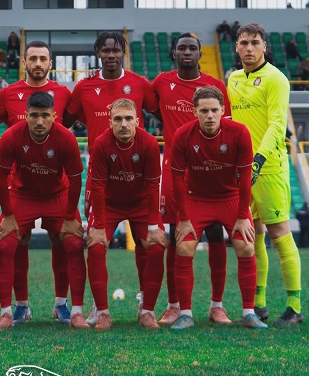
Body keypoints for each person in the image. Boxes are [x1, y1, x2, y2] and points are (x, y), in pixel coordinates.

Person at [64, 31, 159, 325]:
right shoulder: (84, 87)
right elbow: (65, 122)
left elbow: (161, 113)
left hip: (137, 180)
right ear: (98, 53)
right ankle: (99, 308)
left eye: (116, 50)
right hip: (102, 179)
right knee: (95, 242)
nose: (111, 55)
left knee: (150, 244)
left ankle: (147, 306)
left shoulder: (140, 84)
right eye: (105, 50)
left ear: (123, 53)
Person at [169, 86, 267, 330]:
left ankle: (248, 313)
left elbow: (245, 177)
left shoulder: (239, 133)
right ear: (195, 112)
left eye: (214, 110)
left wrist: (243, 216)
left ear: (223, 110)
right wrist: (183, 218)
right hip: (196, 199)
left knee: (246, 246)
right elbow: (177, 179)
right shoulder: (182, 135)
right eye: (204, 111)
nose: (210, 116)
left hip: (230, 198)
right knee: (183, 247)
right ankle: (185, 314)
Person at [0, 41, 74, 323]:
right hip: (21, 187)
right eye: (33, 58)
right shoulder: (7, 94)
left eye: (43, 59)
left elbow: (65, 133)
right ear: (24, 63)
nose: (38, 63)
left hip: (55, 186)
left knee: (63, 240)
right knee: (15, 241)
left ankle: (61, 304)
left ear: (50, 63)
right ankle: (21, 306)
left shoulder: (63, 93)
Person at [151, 32, 232, 325]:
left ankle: (217, 306)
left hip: (209, 169)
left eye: (192, 48)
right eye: (182, 48)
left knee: (215, 232)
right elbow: (151, 108)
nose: (187, 52)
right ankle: (174, 305)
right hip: (175, 170)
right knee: (177, 234)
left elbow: (226, 126)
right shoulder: (161, 82)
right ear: (174, 53)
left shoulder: (215, 86)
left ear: (200, 54)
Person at [227, 23, 304, 326]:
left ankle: (294, 306)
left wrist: (258, 160)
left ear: (264, 47)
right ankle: (257, 305)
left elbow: (277, 124)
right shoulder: (233, 79)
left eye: (255, 42)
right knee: (253, 234)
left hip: (268, 166)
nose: (249, 48)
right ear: (236, 47)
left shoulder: (276, 78)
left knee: (279, 233)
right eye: (244, 43)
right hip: (242, 169)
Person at [0, 92, 86, 329]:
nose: (40, 121)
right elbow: (0, 177)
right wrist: (8, 215)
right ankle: (10, 311)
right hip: (22, 195)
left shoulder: (66, 138)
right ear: (26, 115)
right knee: (6, 244)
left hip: (57, 195)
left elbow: (76, 179)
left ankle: (71, 309)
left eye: (45, 115)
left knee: (74, 243)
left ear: (54, 116)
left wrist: (69, 217)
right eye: (34, 115)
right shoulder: (11, 136)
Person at [85, 98, 168, 330]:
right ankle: (102, 312)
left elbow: (153, 186)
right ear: (110, 122)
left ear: (137, 122)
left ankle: (147, 310)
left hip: (141, 203)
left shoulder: (149, 143)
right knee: (95, 246)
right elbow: (98, 186)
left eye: (128, 118)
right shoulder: (101, 144)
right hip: (109, 203)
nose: (123, 124)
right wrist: (98, 227)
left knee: (156, 246)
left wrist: (153, 227)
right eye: (118, 119)